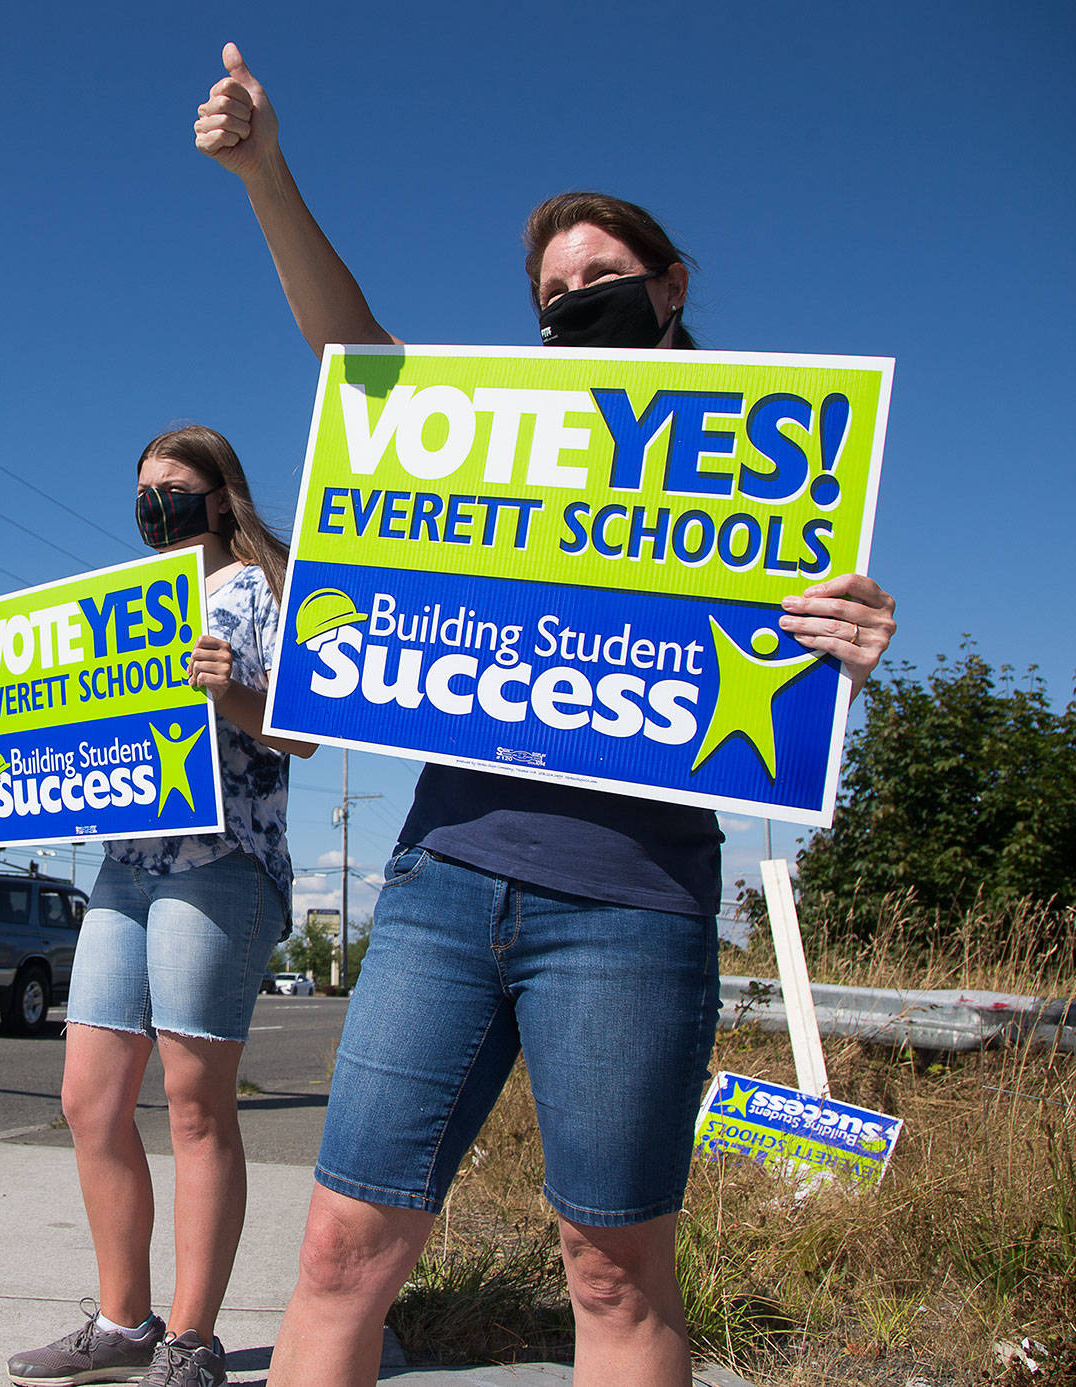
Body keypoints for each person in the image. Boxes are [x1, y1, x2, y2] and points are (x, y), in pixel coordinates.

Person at [193, 44, 899, 1387]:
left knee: (609, 1266)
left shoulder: (771, 462)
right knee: (342, 1246)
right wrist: (264, 174)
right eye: (556, 291)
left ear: (674, 283)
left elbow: (792, 667)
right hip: (444, 884)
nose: (582, 298)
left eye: (604, 276)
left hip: (632, 904)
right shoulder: (489, 433)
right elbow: (359, 359)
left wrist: (844, 649)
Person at [0, 423, 316, 1387]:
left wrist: (234, 687)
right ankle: (123, 1321)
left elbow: (308, 733)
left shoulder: (271, 586)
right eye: (143, 487)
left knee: (197, 1105)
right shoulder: (117, 606)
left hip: (222, 861)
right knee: (89, 1097)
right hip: (127, 865)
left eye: (173, 485)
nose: (154, 501)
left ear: (218, 493)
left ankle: (193, 1343)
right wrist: (5, 706)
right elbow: (78, 717)